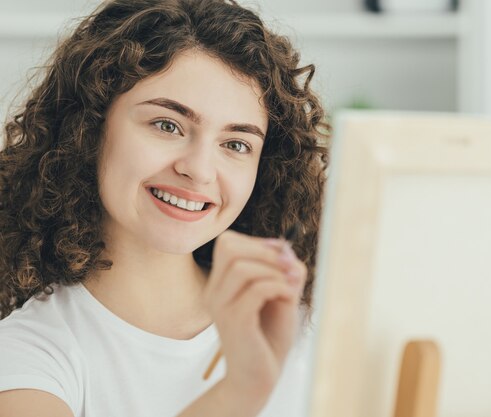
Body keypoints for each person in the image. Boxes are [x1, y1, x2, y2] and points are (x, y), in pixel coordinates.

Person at [0, 0, 328, 416]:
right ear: (88, 128)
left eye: (235, 144)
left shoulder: (304, 325)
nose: (199, 170)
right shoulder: (28, 355)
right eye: (167, 125)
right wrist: (242, 388)